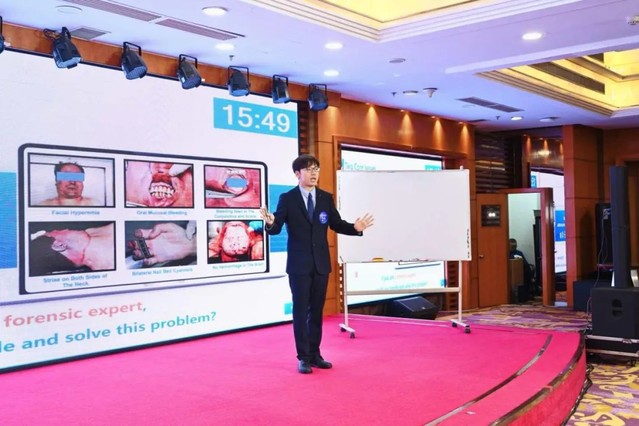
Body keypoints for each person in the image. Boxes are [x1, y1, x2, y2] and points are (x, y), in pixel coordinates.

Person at [259, 154, 374, 374]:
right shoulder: (288, 198)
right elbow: (277, 227)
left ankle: (315, 354)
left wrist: (355, 227)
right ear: (297, 174)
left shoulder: (325, 198)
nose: (314, 173)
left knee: (316, 311)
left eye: (316, 169)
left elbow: (336, 224)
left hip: (321, 264)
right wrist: (271, 223)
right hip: (299, 265)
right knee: (301, 312)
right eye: (309, 169)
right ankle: (303, 357)